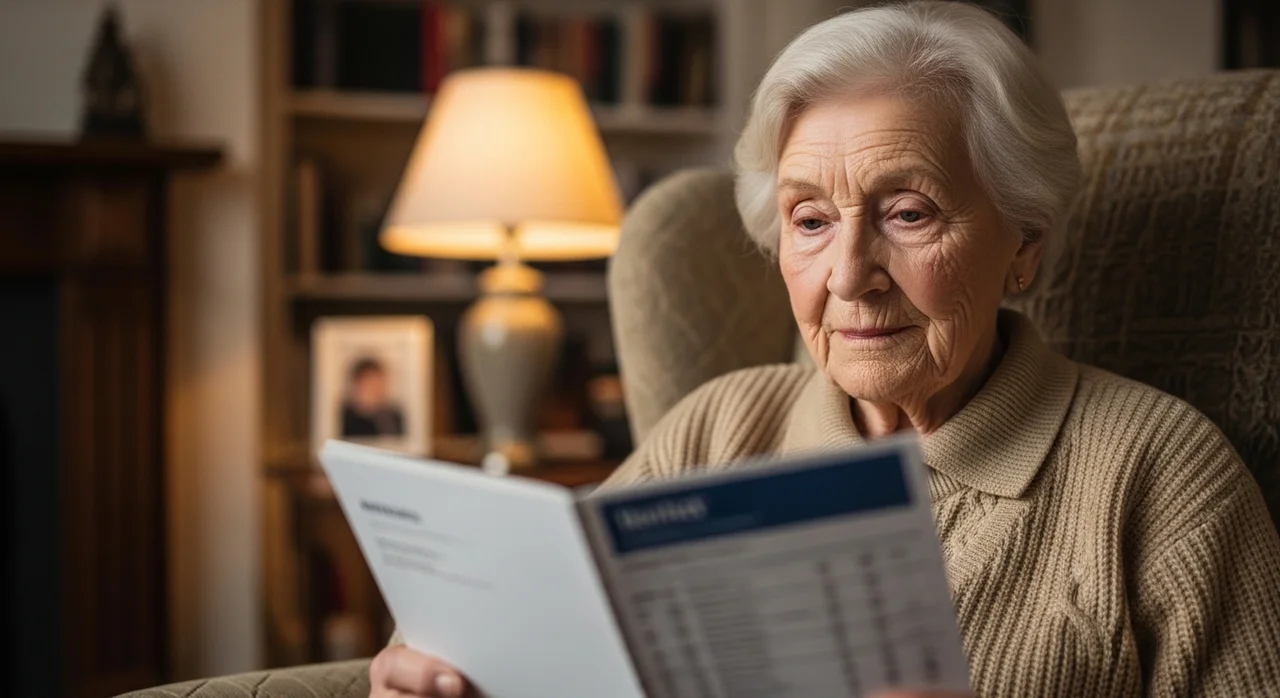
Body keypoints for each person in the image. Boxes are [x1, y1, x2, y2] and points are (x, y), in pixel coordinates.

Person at [369, 2, 1280, 697]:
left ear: (1025, 242)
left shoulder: (1161, 476)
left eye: (908, 212)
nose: (849, 275)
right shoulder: (719, 428)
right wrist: (442, 671)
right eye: (810, 220)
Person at [341, 357, 404, 438]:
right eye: (370, 385)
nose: (376, 391)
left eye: (379, 385)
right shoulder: (344, 418)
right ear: (356, 386)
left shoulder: (393, 416)